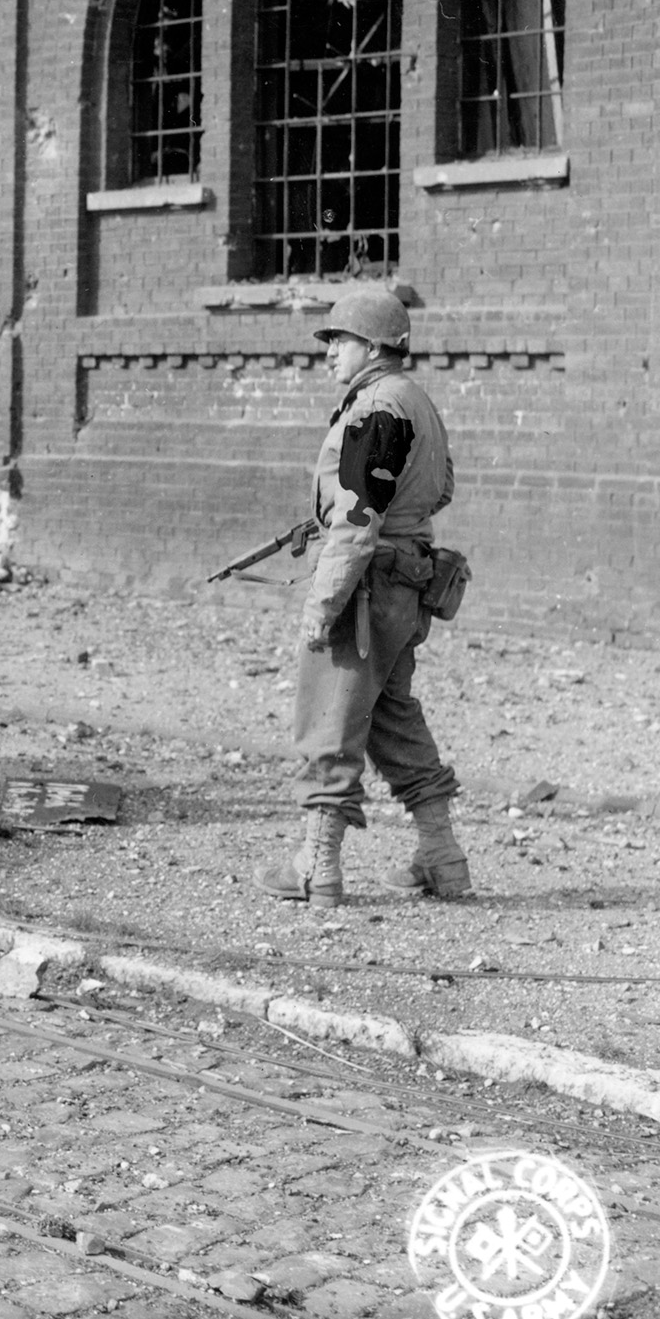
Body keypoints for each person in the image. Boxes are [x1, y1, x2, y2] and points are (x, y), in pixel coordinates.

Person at [257, 285, 471, 907]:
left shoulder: (376, 407)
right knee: (392, 720)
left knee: (330, 715)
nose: (329, 353)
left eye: (339, 340)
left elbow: (354, 522)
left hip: (365, 590)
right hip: (406, 585)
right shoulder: (416, 403)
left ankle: (315, 867)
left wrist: (322, 605)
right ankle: (443, 856)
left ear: (374, 345)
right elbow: (441, 488)